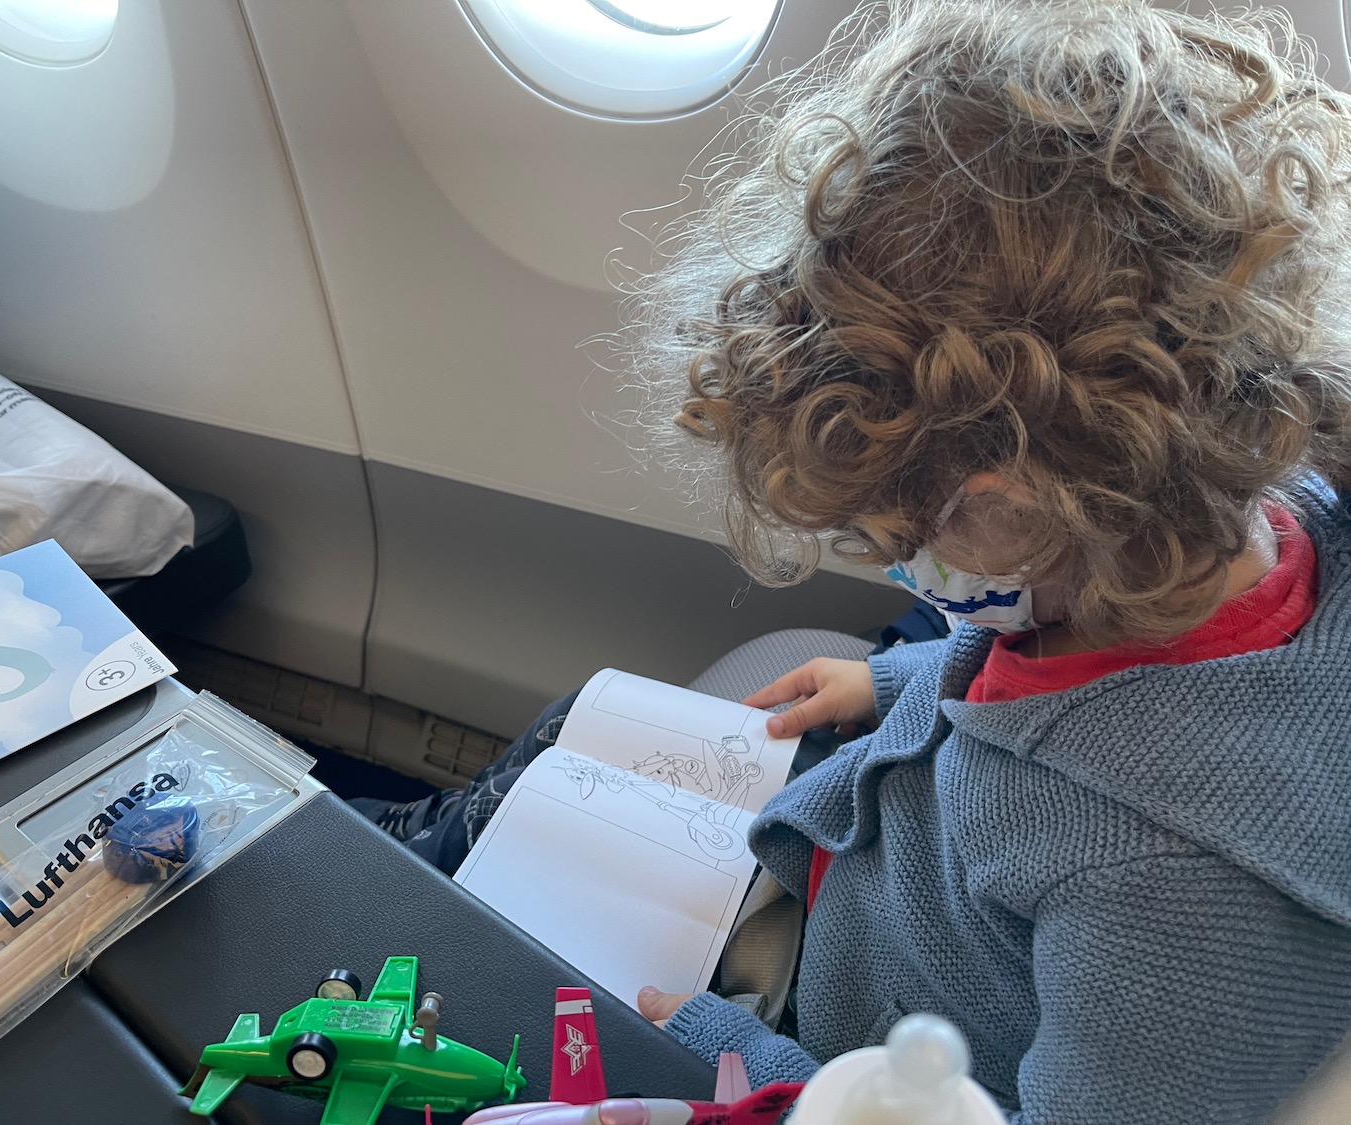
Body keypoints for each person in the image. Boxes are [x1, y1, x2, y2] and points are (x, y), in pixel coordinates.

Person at [356, 0, 1351, 1119]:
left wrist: (744, 1065)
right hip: (871, 889)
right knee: (564, 739)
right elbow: (1050, 700)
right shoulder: (1197, 546)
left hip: (853, 1048)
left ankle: (396, 868)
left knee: (483, 999)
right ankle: (411, 847)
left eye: (903, 536)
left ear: (1016, 506)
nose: (898, 566)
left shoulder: (1175, 903)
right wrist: (895, 680)